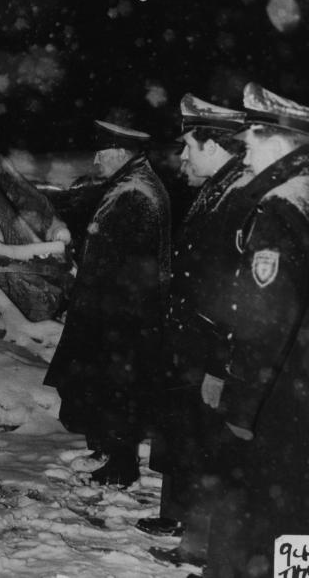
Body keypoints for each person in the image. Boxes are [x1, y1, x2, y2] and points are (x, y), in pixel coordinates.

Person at [199, 84, 309, 578]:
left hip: (278, 397)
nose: (246, 147)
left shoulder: (278, 209)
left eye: (254, 138)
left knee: (268, 507)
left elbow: (266, 319)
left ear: (281, 141)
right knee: (295, 512)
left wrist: (239, 403)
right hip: (295, 387)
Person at [139, 95, 249, 567]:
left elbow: (235, 291)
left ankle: (202, 546)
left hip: (210, 347)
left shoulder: (241, 195)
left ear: (214, 145)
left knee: (208, 448)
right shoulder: (219, 188)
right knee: (190, 440)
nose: (182, 156)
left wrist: (219, 362)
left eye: (189, 145)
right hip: (194, 344)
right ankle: (192, 534)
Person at [44, 119, 171, 487]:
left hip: (120, 316)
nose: (96, 160)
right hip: (116, 311)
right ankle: (110, 452)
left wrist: (110, 314)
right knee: (108, 389)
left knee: (117, 390)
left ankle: (120, 466)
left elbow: (131, 265)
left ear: (120, 153)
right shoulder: (132, 185)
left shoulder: (134, 192)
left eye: (101, 153)